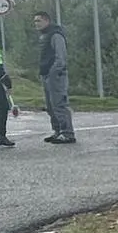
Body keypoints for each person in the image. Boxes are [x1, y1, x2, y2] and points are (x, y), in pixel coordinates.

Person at [34, 11, 75, 143]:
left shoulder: (55, 35)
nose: (36, 24)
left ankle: (67, 133)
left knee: (59, 104)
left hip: (56, 75)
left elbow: (61, 57)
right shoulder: (45, 35)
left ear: (47, 21)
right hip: (46, 74)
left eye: (38, 21)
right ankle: (57, 131)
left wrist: (53, 72)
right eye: (35, 21)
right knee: (50, 105)